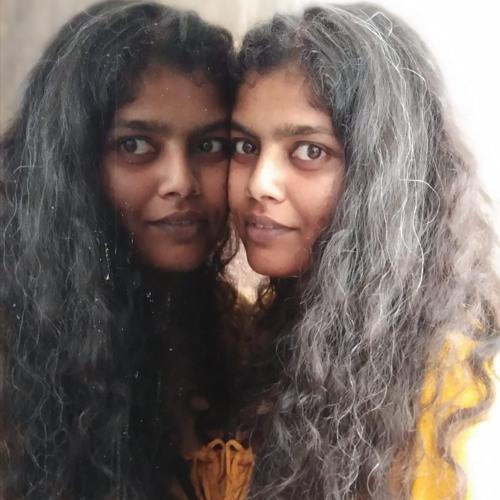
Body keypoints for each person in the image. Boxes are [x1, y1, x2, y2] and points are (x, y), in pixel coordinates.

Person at [227, 4, 500, 499]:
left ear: (381, 178)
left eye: (309, 151)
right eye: (245, 146)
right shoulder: (267, 329)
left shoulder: (458, 395)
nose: (259, 183)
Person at [0, 1, 236, 498]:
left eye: (210, 146)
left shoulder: (234, 330)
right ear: (73, 164)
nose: (180, 181)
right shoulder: (13, 340)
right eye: (135, 146)